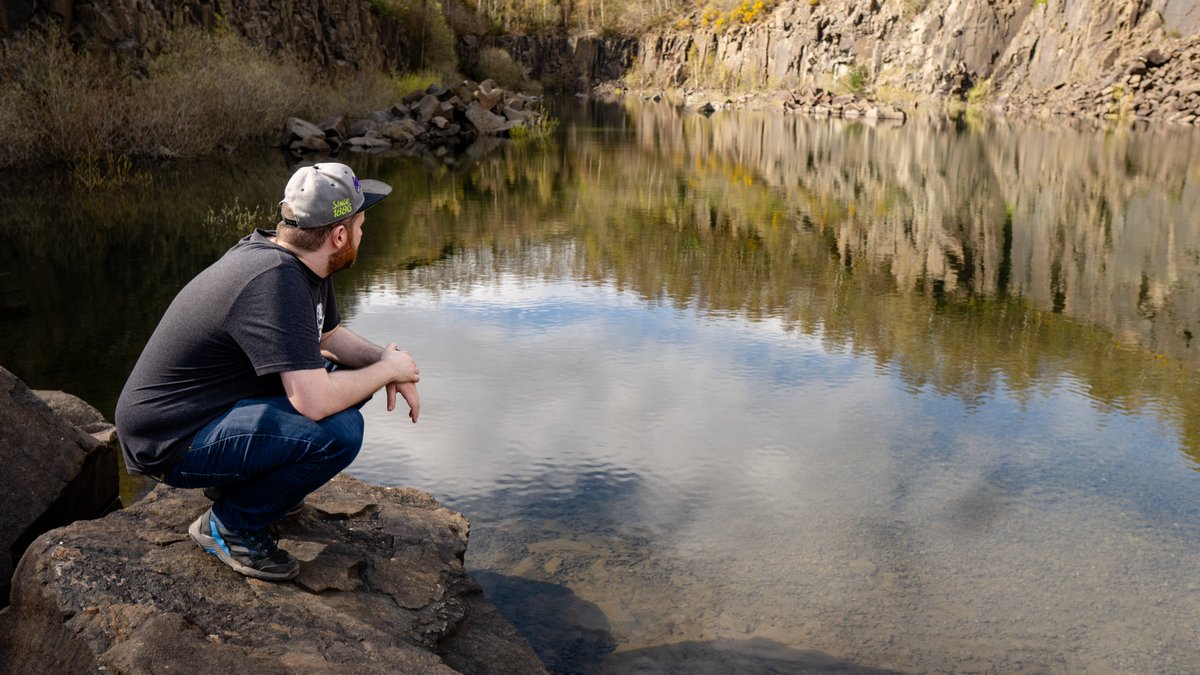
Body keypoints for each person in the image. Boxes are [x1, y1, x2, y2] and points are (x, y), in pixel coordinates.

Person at [115, 162, 420, 581]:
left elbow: (327, 337)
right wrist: (385, 370)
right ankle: (229, 525)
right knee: (339, 432)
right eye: (362, 224)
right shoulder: (273, 280)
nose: (364, 234)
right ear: (340, 235)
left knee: (344, 379)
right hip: (170, 439)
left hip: (210, 410)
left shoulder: (302, 259)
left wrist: (389, 364)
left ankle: (252, 486)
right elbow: (312, 402)